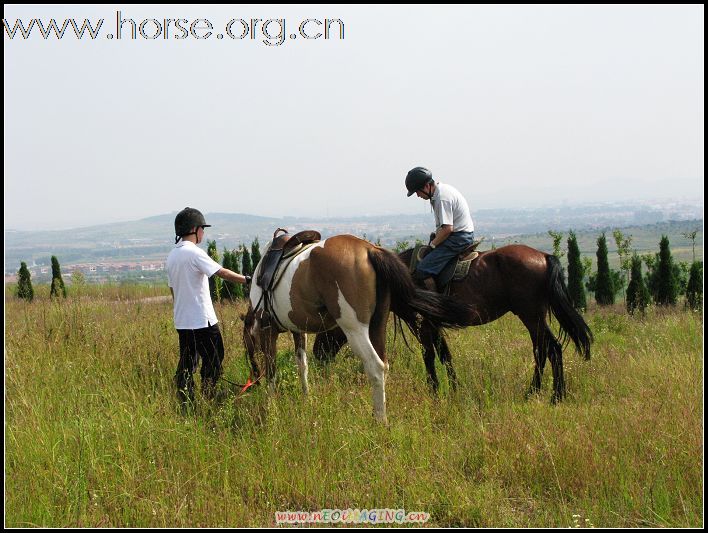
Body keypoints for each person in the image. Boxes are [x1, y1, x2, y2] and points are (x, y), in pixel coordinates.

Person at [166, 207, 250, 408]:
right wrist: (248, 280)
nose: (203, 233)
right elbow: (222, 273)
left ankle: (186, 401)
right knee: (214, 359)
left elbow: (173, 291)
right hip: (203, 321)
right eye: (202, 228)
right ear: (195, 229)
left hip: (183, 321)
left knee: (187, 363)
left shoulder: (171, 256)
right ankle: (209, 397)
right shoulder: (194, 253)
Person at [405, 166, 475, 291]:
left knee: (422, 270)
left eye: (417, 191)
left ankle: (435, 304)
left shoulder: (442, 198)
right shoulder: (439, 193)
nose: (417, 195)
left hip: (459, 238)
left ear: (426, 186)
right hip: (459, 235)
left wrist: (432, 245)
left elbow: (448, 229)